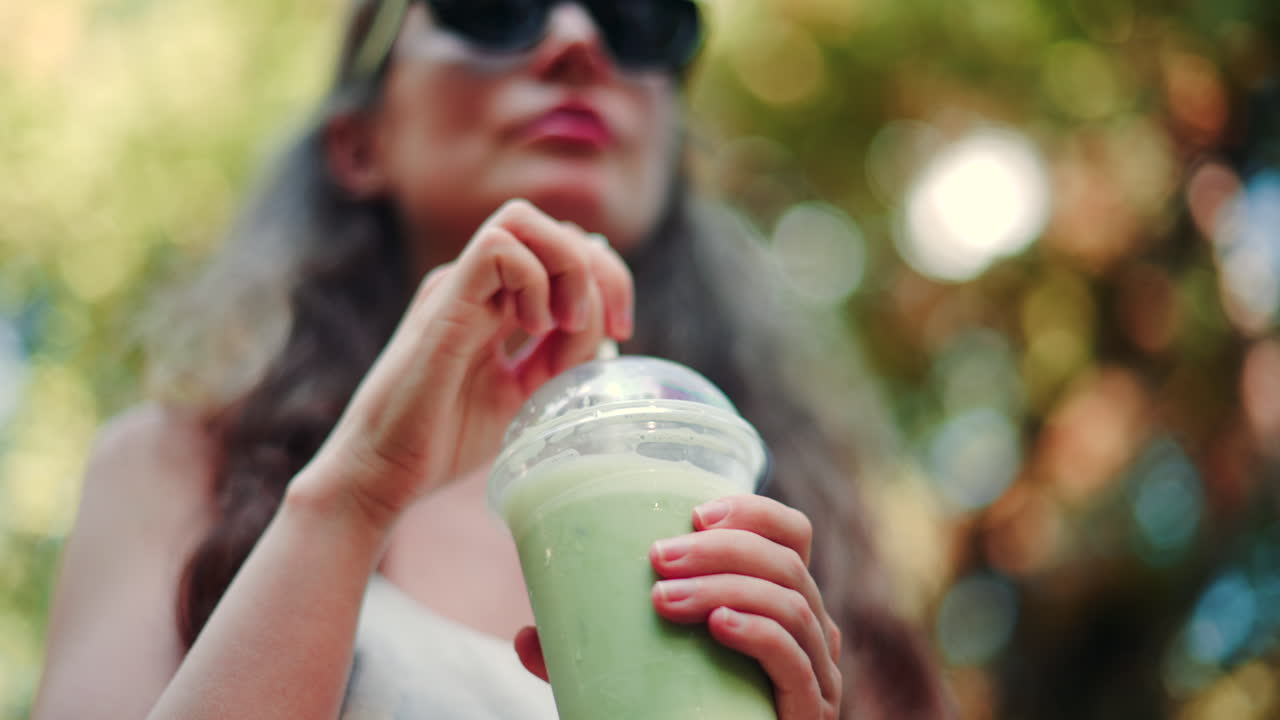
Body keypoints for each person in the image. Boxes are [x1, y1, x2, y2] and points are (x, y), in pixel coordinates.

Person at [31, 1, 947, 718]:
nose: (579, 37)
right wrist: (352, 498)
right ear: (360, 144)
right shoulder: (174, 472)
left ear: (671, 150)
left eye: (640, 17)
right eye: (493, 5)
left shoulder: (801, 524)